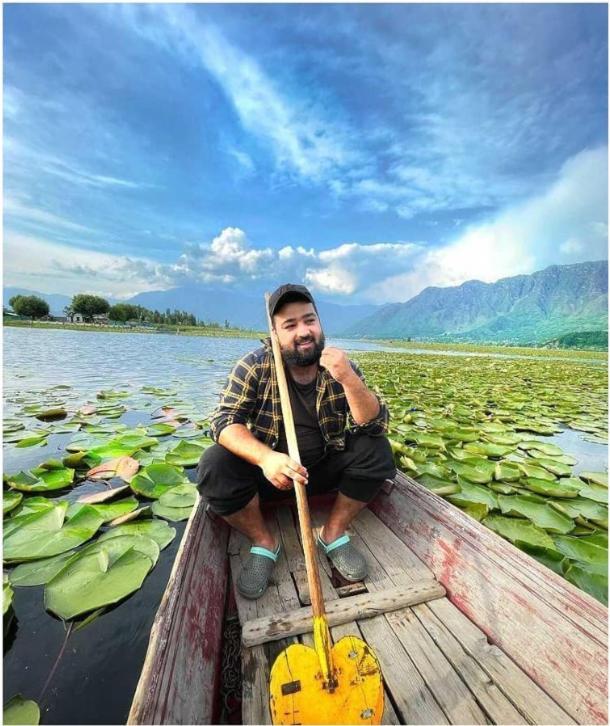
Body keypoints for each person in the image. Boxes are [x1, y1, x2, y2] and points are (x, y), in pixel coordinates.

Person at [197, 283, 396, 599]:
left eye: (309, 320)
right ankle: (264, 542)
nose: (304, 331)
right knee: (213, 465)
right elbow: (223, 422)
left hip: (321, 470)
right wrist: (265, 459)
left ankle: (331, 533)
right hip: (271, 476)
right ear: (275, 334)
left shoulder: (340, 366)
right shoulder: (254, 366)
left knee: (377, 450)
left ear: (320, 323)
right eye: (290, 325)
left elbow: (375, 423)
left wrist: (349, 380)